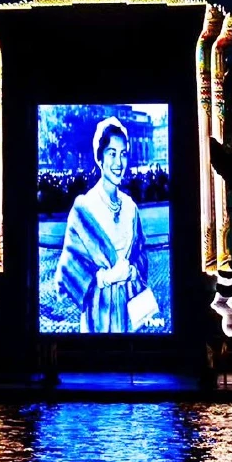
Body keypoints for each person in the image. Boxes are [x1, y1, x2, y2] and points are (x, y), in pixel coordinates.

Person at [54, 117, 158, 333]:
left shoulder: (131, 207)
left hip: (128, 319)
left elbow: (141, 255)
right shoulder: (83, 209)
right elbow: (67, 270)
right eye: (112, 153)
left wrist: (132, 271)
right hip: (96, 320)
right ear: (99, 157)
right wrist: (104, 278)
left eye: (123, 154)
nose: (119, 163)